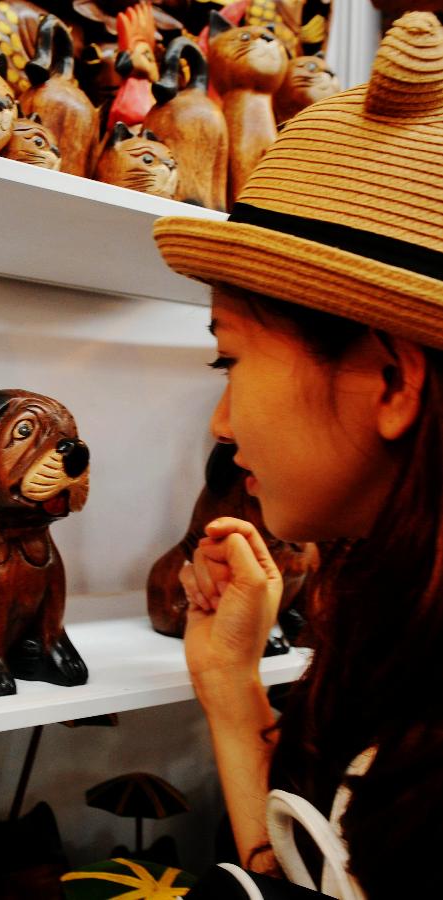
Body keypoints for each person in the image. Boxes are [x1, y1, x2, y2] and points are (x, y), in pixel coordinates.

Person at [152, 10, 443, 899]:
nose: (221, 422)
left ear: (390, 380)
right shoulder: (392, 633)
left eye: (229, 358)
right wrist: (233, 697)